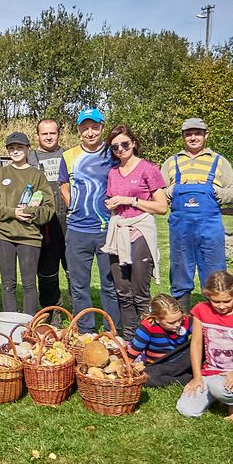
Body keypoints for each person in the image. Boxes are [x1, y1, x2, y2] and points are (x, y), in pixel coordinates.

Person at [161, 117, 233, 312]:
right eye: (188, 134)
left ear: (206, 135)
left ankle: (216, 317)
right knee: (180, 270)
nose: (193, 137)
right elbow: (157, 195)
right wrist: (169, 192)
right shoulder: (171, 162)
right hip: (181, 226)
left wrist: (218, 193)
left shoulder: (219, 161)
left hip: (210, 225)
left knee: (214, 272)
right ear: (183, 137)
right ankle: (181, 321)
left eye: (197, 133)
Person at [101, 125, 167, 340]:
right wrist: (110, 204)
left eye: (124, 144)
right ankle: (130, 341)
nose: (120, 149)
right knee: (123, 292)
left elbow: (162, 207)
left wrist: (132, 200)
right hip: (118, 233)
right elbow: (113, 200)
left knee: (140, 293)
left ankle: (148, 339)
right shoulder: (113, 172)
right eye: (115, 147)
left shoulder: (148, 168)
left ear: (134, 143)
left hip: (140, 231)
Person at [59, 109, 119, 330]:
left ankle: (111, 331)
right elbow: (63, 183)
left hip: (107, 228)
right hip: (77, 230)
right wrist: (71, 202)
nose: (90, 132)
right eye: (85, 127)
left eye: (94, 127)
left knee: (110, 285)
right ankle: (85, 330)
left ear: (102, 127)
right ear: (79, 130)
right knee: (79, 284)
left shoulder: (112, 153)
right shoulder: (69, 155)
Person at [177, 272, 233, 421]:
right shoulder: (200, 310)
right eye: (216, 301)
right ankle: (217, 395)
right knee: (186, 409)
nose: (221, 306)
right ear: (208, 295)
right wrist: (197, 377)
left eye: (227, 301)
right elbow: (196, 344)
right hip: (210, 373)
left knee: (219, 387)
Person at [0, 132, 54, 314]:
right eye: (12, 148)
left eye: (20, 147)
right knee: (8, 284)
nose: (16, 151)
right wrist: (13, 212)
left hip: (29, 237)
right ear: (7, 151)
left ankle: (29, 326)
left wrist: (31, 212)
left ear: (27, 149)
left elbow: (48, 208)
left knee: (30, 284)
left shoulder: (37, 176)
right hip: (4, 236)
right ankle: (10, 326)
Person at [30, 118, 70, 312]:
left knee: (73, 268)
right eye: (44, 133)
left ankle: (78, 310)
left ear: (58, 134)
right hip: (44, 222)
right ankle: (51, 310)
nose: (48, 137)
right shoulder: (30, 158)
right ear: (37, 135)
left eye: (52, 133)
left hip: (69, 219)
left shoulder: (69, 156)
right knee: (47, 271)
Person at [125, 294, 193, 388]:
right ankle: (187, 378)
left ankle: (191, 374)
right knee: (147, 377)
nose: (177, 324)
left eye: (179, 319)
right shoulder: (148, 327)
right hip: (160, 364)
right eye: (171, 323)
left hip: (182, 361)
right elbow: (135, 350)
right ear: (157, 319)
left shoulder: (187, 321)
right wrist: (126, 365)